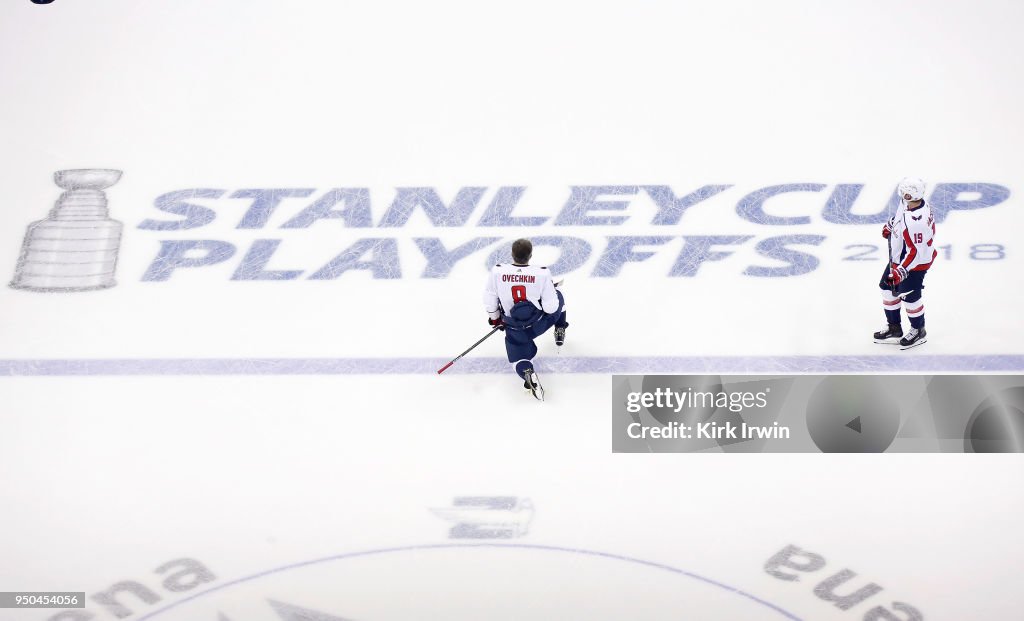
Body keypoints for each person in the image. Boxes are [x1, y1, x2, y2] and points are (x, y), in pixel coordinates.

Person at [483, 238, 568, 400]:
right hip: (538, 324)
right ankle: (560, 328)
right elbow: (550, 308)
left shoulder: (498, 271)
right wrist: (548, 291)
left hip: (515, 329)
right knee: (560, 298)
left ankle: (528, 374)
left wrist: (495, 319)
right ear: (530, 255)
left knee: (520, 360)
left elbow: (490, 298)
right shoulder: (542, 273)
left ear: (512, 254)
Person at [873, 177, 936, 349]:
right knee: (887, 288)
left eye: (904, 192)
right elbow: (902, 215)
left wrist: (901, 271)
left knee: (909, 297)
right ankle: (894, 327)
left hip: (914, 264)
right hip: (900, 256)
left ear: (910, 194)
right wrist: (893, 224)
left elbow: (916, 252)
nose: (901, 195)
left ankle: (918, 330)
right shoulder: (909, 203)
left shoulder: (918, 221)